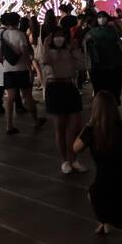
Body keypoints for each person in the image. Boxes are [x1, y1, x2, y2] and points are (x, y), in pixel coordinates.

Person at [73, 90, 122, 234]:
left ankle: (104, 221)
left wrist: (88, 125)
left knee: (93, 193)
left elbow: (75, 148)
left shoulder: (92, 131)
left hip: (102, 186)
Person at [40, 21, 86, 173]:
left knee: (74, 126)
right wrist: (45, 46)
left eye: (61, 36)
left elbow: (80, 66)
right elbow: (45, 61)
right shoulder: (47, 50)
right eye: (56, 36)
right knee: (60, 126)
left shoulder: (69, 50)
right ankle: (64, 160)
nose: (59, 39)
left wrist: (75, 49)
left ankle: (73, 158)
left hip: (69, 86)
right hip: (54, 87)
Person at [0, 12, 46, 136]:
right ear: (17, 22)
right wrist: (30, 67)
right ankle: (35, 121)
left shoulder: (2, 34)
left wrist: (2, 62)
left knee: (10, 97)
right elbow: (25, 52)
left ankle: (9, 125)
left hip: (8, 69)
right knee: (27, 95)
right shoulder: (20, 35)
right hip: (22, 69)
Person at [84, 12, 122, 103]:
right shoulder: (92, 31)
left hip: (113, 64)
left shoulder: (113, 29)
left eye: (104, 17)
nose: (102, 19)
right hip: (99, 65)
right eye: (99, 17)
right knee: (102, 92)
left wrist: (118, 24)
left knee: (113, 90)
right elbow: (86, 42)